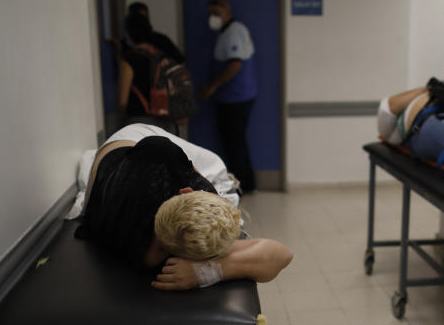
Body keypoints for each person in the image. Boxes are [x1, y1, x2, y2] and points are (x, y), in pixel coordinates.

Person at [76, 123, 292, 291]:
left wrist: (209, 271)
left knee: (180, 157)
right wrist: (210, 272)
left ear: (185, 191)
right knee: (217, 166)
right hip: (135, 145)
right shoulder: (143, 246)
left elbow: (282, 255)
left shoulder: (165, 160)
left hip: (140, 147)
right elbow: (280, 254)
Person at [199, 0, 258, 194]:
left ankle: (243, 185)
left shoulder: (234, 31)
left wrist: (213, 86)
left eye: (217, 12)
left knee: (235, 143)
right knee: (234, 142)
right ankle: (244, 182)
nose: (213, 17)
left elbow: (235, 64)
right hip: (231, 97)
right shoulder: (226, 32)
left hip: (237, 97)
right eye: (211, 13)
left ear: (228, 12)